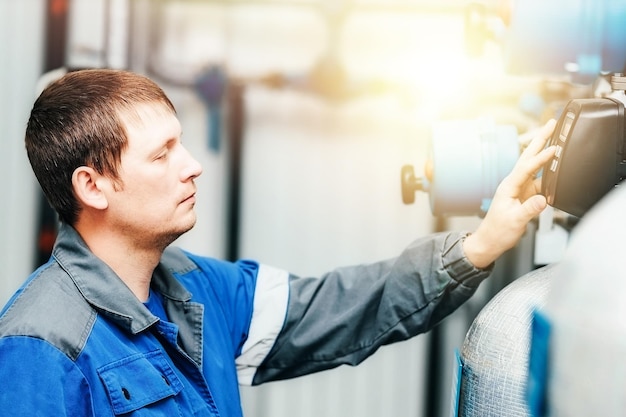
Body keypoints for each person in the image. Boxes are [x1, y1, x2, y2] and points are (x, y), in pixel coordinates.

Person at [0, 68, 556, 417]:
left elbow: (335, 307)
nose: (192, 167)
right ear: (92, 186)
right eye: (162, 153)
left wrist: (480, 245)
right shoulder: (41, 344)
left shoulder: (199, 291)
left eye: (183, 145)